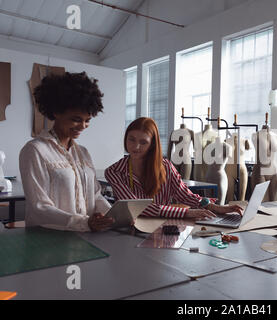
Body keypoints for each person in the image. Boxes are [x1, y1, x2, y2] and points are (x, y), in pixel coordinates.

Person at [19, 72, 114, 232]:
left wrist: (113, 216)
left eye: (87, 120)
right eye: (76, 119)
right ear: (56, 111)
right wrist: (84, 222)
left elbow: (96, 196)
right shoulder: (35, 150)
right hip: (47, 239)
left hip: (84, 237)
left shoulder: (83, 153)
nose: (82, 126)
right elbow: (39, 207)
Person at [105, 117, 243, 220]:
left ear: (152, 145)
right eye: (131, 139)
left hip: (162, 229)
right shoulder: (114, 172)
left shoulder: (166, 166)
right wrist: (185, 213)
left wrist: (215, 207)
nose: (135, 147)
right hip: (130, 232)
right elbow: (135, 208)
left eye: (143, 142)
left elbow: (185, 195)